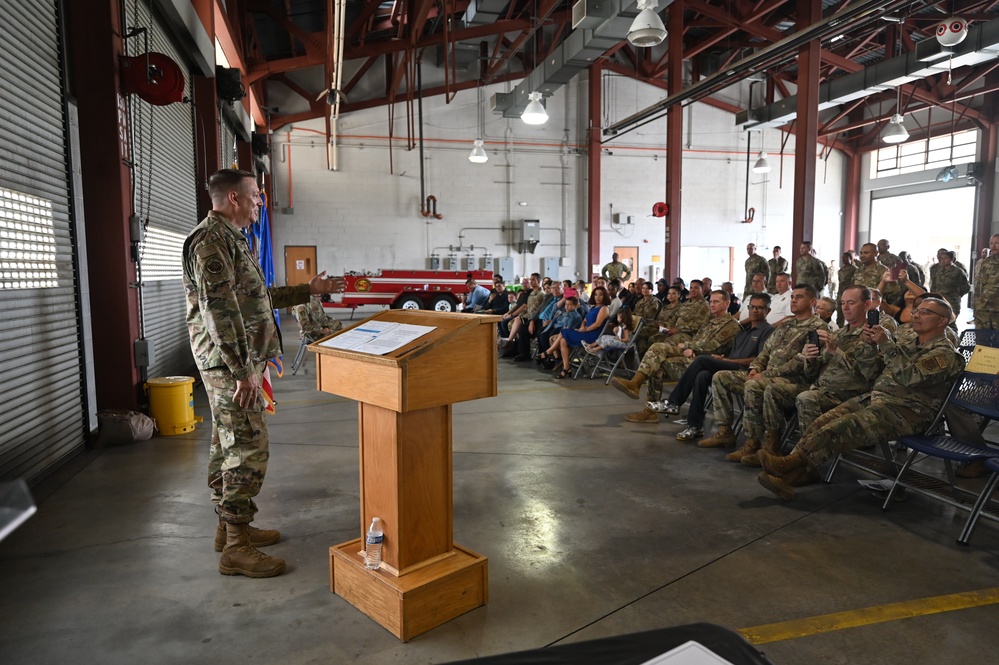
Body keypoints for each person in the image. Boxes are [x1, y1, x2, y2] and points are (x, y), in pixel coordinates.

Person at [183, 168, 345, 578]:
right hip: (230, 365)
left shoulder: (233, 241)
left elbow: (258, 296)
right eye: (255, 195)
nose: (260, 202)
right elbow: (220, 314)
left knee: (227, 444)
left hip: (234, 363)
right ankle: (236, 549)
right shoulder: (211, 243)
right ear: (234, 197)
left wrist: (307, 291)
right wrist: (243, 372)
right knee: (247, 447)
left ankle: (230, 530)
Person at [758, 298, 965, 500]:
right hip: (877, 399)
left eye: (925, 312)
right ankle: (792, 476)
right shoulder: (907, 342)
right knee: (823, 422)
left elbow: (911, 377)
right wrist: (870, 346)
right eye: (917, 310)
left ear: (942, 321)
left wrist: (886, 344)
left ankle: (787, 465)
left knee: (838, 428)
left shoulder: (944, 353)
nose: (917, 314)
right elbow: (869, 371)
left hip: (907, 412)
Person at [755, 285, 885, 463]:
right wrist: (810, 359)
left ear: (867, 304)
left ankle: (806, 462)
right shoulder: (839, 334)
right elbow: (812, 372)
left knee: (806, 398)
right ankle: (772, 447)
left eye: (851, 303)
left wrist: (835, 351)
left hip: (847, 394)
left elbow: (867, 376)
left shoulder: (873, 336)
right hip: (819, 387)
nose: (845, 308)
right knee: (773, 390)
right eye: (843, 303)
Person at [699, 284, 827, 458]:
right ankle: (725, 431)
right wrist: (755, 367)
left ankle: (760, 444)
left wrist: (764, 374)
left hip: (796, 381)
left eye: (799, 297)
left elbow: (801, 361)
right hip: (766, 376)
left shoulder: (818, 328)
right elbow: (766, 351)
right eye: (792, 297)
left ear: (812, 301)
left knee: (754, 385)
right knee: (721, 377)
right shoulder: (786, 324)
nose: (793, 300)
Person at [657, 294, 776, 441]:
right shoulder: (743, 331)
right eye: (752, 307)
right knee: (702, 376)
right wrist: (722, 358)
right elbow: (733, 353)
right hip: (730, 363)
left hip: (743, 370)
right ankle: (695, 425)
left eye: (759, 307)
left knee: (701, 360)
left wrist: (729, 361)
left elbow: (758, 359)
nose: (754, 310)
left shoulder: (768, 331)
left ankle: (674, 402)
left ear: (768, 310)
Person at [614, 290, 742, 420]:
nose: (712, 305)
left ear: (727, 303)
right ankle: (637, 383)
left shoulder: (730, 325)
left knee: (658, 366)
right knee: (658, 348)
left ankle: (649, 411)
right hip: (692, 353)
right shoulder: (710, 322)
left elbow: (714, 346)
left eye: (716, 302)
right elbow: (697, 339)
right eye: (711, 302)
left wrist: (688, 346)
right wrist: (690, 347)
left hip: (704, 362)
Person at [550, 286, 610, 379]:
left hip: (592, 336)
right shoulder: (594, 307)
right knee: (563, 341)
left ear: (604, 296)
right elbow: (585, 320)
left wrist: (585, 329)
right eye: (596, 295)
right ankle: (566, 368)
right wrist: (582, 326)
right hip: (585, 332)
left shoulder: (604, 308)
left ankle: (548, 352)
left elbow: (598, 324)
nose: (597, 297)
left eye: (600, 295)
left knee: (563, 331)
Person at [932, 250, 971, 321]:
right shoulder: (939, 271)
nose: (943, 260)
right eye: (942, 258)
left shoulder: (958, 271)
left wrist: (957, 295)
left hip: (952, 302)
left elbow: (966, 287)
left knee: (951, 322)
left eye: (946, 258)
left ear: (951, 259)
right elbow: (934, 285)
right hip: (940, 300)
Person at [973, 233, 999, 329]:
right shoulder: (986, 262)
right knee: (982, 340)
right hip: (984, 310)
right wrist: (976, 306)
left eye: (997, 243)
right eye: (991, 243)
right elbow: (979, 285)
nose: (993, 246)